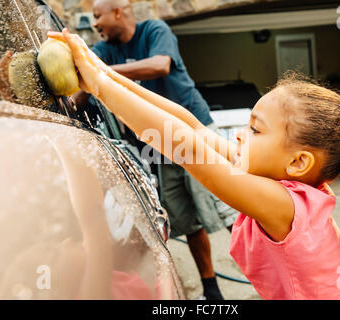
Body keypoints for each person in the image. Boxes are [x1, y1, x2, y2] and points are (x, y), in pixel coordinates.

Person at [48, 29, 340, 299]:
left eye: (255, 130)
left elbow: (185, 148)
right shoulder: (272, 178)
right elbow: (191, 126)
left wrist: (99, 86)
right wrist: (104, 71)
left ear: (297, 162)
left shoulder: (285, 205)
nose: (242, 135)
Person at [71, 0, 238, 300]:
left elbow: (160, 65)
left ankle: (266, 269)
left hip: (196, 132)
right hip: (160, 146)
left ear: (119, 11)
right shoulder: (104, 50)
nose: (94, 24)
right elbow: (82, 86)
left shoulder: (154, 30)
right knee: (186, 220)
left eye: (98, 16)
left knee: (228, 206)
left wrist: (100, 75)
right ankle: (212, 291)